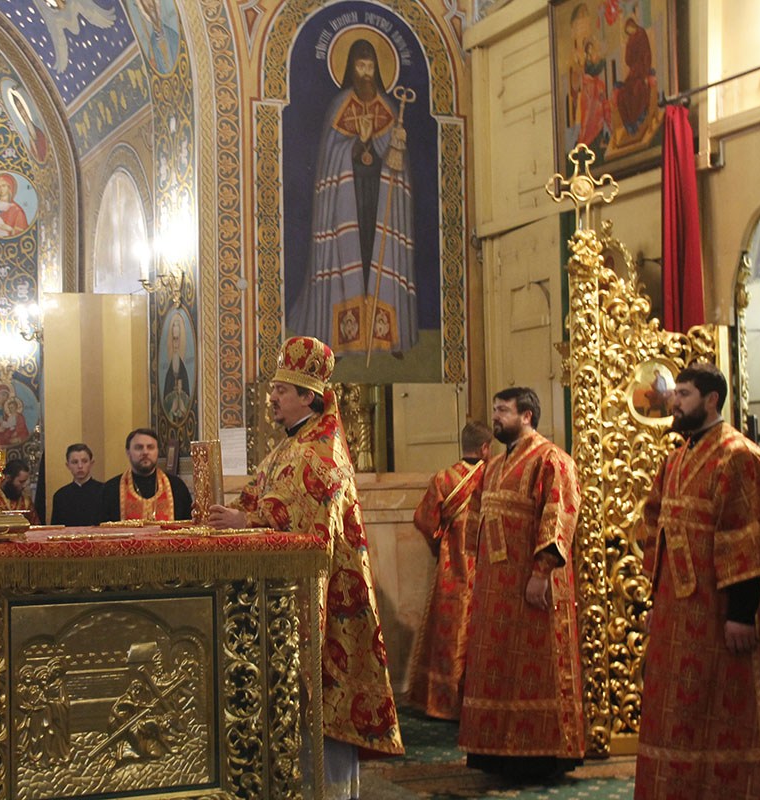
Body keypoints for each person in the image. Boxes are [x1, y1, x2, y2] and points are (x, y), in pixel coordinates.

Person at [206, 336, 403, 794]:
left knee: (323, 702)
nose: (272, 398)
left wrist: (247, 520)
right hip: (287, 597)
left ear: (307, 396)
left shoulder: (322, 450)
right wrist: (223, 516)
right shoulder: (288, 448)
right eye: (273, 389)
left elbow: (306, 515)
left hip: (325, 598)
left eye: (281, 390)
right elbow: (256, 498)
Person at [634, 362, 760, 798]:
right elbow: (655, 525)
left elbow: (746, 534)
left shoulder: (739, 456)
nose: (674, 402)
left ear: (712, 400)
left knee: (729, 706)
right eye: (675, 393)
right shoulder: (676, 459)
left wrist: (741, 612)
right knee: (680, 710)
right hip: (678, 613)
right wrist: (657, 597)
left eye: (684, 394)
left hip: (721, 610)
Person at [459, 387, 583, 777]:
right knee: (497, 667)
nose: (496, 417)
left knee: (536, 666)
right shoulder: (494, 465)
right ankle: (497, 751)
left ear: (526, 416)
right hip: (495, 587)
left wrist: (541, 572)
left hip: (532, 583)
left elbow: (558, 516)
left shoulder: (552, 459)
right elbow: (477, 518)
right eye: (495, 410)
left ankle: (541, 754)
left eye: (503, 411)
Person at [287, 38, 417, 357]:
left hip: (379, 202)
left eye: (370, 66)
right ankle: (343, 339)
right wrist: (356, 145)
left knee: (379, 260)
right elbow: (332, 157)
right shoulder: (340, 106)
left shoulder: (388, 109)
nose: (366, 73)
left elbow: (396, 165)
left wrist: (396, 143)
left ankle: (387, 337)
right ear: (350, 69)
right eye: (360, 66)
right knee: (350, 259)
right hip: (348, 202)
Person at [406, 420, 492, 720]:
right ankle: (477, 700)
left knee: (448, 633)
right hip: (486, 569)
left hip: (451, 566)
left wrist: (439, 542)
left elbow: (424, 519)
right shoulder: (492, 477)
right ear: (485, 448)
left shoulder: (443, 478)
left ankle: (441, 703)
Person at [102, 428, 192, 522]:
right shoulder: (111, 489)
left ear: (157, 451)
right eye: (139, 447)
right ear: (128, 452)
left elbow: (188, 525)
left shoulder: (177, 487)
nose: (145, 452)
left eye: (150, 447)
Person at [50, 443, 104, 526]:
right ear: (68, 466)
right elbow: (56, 529)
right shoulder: (60, 496)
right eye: (75, 462)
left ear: (91, 463)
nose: (80, 466)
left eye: (84, 461)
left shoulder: (104, 492)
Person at [0, 458, 38, 524]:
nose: (24, 486)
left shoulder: (26, 502)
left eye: (25, 482)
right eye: (21, 482)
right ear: (8, 478)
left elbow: (35, 526)